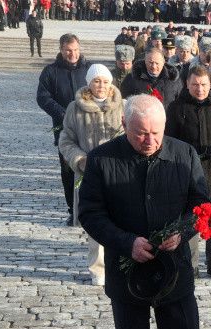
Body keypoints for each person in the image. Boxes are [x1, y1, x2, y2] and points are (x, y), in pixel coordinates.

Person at [78, 94, 210, 329]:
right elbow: (91, 214)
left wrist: (182, 233)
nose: (150, 141)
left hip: (175, 273)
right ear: (124, 124)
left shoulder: (185, 154)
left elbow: (200, 206)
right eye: (141, 134)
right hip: (126, 278)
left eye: (156, 133)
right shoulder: (101, 159)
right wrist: (127, 243)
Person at [165, 65, 211, 280]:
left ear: (210, 85)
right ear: (187, 85)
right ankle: (192, 263)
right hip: (187, 175)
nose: (200, 89)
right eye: (195, 84)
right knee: (191, 222)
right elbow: (168, 141)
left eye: (204, 84)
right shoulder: (176, 108)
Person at [59, 64, 124, 286]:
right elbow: (66, 140)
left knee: (121, 219)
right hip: (89, 174)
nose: (101, 86)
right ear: (89, 84)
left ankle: (120, 264)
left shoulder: (122, 105)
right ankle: (98, 268)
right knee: (96, 221)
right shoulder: (74, 108)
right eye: (96, 81)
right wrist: (80, 160)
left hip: (118, 174)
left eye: (105, 81)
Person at [37, 33, 91, 227]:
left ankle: (90, 209)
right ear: (61, 50)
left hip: (89, 129)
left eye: (75, 50)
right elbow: (43, 98)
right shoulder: (50, 71)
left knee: (90, 169)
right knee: (68, 171)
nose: (72, 54)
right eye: (68, 50)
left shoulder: (89, 69)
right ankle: (72, 209)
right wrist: (63, 113)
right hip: (65, 130)